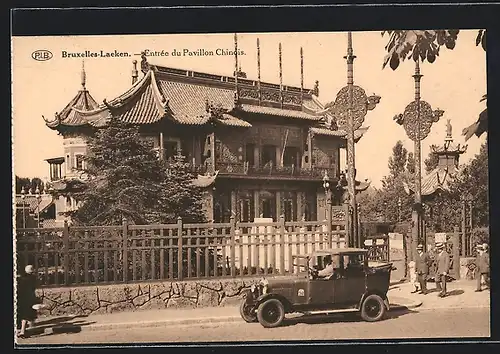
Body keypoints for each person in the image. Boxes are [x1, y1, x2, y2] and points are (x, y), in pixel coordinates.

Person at [16, 265, 38, 338]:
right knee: (27, 315)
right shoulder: (33, 278)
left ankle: (21, 330)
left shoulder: (21, 278)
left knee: (23, 314)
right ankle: (23, 331)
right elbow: (34, 288)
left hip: (21, 298)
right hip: (30, 298)